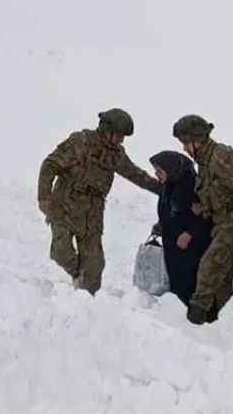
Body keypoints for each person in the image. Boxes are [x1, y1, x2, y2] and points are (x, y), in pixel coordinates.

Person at [36, 108, 160, 294]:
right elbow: (49, 165)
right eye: (119, 135)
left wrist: (164, 189)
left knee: (94, 267)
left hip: (92, 211)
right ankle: (78, 276)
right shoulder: (80, 142)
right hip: (65, 204)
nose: (121, 140)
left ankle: (89, 306)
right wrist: (43, 197)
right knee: (61, 252)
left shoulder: (116, 154)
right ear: (106, 130)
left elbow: (135, 174)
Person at [171, 114, 233, 324]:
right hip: (220, 224)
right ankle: (224, 324)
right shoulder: (204, 163)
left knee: (210, 266)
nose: (185, 149)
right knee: (224, 281)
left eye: (186, 143)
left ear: (197, 140)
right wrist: (203, 207)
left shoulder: (220, 155)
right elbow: (219, 193)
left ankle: (196, 314)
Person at [149, 150, 213, 307]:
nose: (157, 175)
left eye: (160, 171)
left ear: (170, 169)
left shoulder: (192, 185)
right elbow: (170, 209)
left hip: (192, 249)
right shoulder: (168, 185)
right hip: (173, 246)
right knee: (175, 285)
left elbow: (206, 216)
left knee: (188, 285)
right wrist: (161, 224)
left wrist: (191, 233)